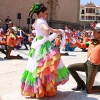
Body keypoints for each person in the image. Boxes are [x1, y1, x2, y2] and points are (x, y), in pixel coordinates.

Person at [21, 3, 69, 98]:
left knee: (40, 67)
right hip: (43, 46)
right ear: (41, 13)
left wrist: (59, 31)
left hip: (39, 43)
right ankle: (44, 89)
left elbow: (50, 29)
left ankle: (40, 89)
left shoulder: (38, 21)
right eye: (46, 13)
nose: (47, 15)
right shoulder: (41, 21)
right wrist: (46, 37)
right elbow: (47, 29)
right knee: (44, 67)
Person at [65, 23, 100, 94]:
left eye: (95, 32)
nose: (93, 33)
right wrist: (70, 38)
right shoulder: (92, 41)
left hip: (93, 67)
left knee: (89, 90)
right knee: (70, 67)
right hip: (86, 64)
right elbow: (81, 45)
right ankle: (80, 84)